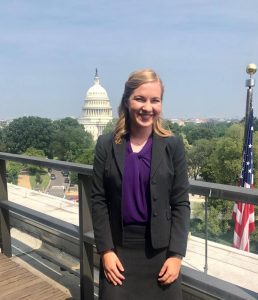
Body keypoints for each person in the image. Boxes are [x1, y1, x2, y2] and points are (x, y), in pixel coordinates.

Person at [91, 68, 190, 300]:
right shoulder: (106, 145)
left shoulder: (172, 146)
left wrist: (176, 256)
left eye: (155, 100)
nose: (147, 107)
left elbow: (181, 203)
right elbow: (98, 200)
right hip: (119, 252)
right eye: (140, 99)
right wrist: (106, 251)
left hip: (161, 254)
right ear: (127, 101)